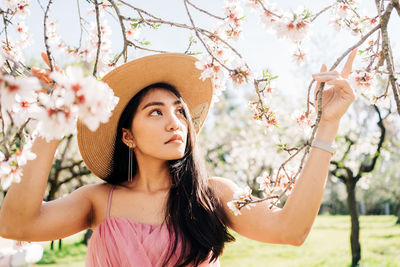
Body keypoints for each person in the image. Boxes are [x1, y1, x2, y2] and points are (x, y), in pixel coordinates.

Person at [0, 51, 357, 266]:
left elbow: (291, 231)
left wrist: (327, 124)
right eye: (155, 113)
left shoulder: (212, 195)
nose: (175, 122)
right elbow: (16, 224)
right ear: (128, 136)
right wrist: (52, 122)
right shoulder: (98, 200)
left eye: (179, 111)